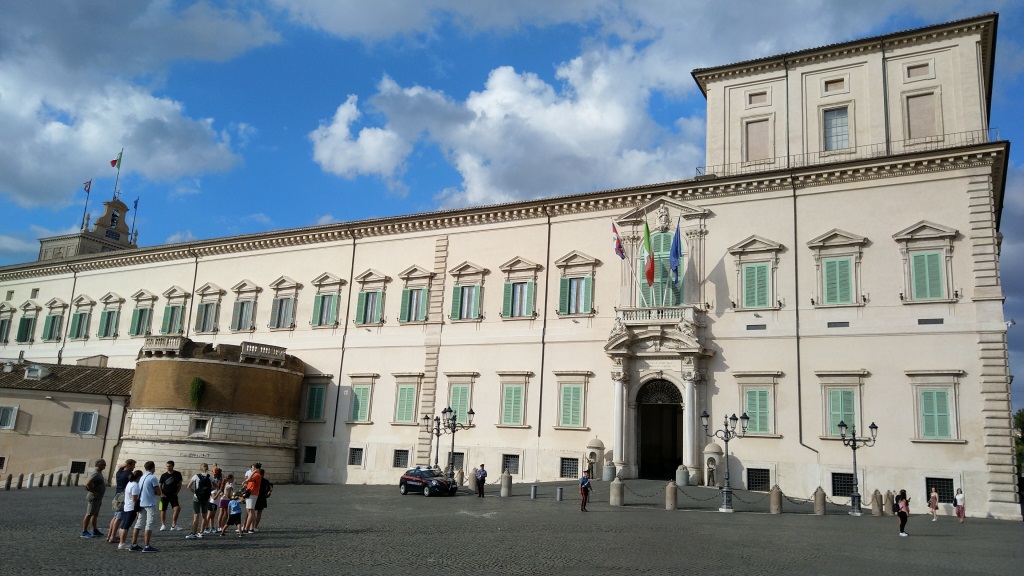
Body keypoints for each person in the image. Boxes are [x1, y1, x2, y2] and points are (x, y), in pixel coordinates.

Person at [130, 460, 162, 552]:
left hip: (141, 503)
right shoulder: (152, 477)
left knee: (139, 523)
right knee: (149, 524)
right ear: (153, 467)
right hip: (150, 503)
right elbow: (158, 490)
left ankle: (133, 544)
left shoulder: (142, 477)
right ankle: (147, 545)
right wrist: (159, 493)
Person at [106, 459, 136, 542]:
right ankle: (112, 537)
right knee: (119, 518)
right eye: (133, 465)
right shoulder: (129, 474)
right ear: (129, 465)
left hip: (117, 495)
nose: (134, 467)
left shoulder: (119, 472)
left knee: (115, 517)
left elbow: (120, 466)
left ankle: (109, 536)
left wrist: (126, 464)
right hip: (123, 497)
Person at [185, 463, 214, 539]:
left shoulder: (196, 476)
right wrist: (209, 491)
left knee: (196, 516)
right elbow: (216, 486)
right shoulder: (210, 477)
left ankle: (194, 533)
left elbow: (188, 487)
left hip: (197, 498)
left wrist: (195, 492)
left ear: (200, 468)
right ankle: (201, 532)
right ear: (207, 468)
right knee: (204, 516)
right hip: (206, 498)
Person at [81, 458, 107, 538]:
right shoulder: (95, 473)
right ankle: (84, 531)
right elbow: (88, 483)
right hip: (94, 497)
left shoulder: (99, 473)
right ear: (98, 464)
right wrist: (93, 491)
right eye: (103, 464)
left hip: (98, 497)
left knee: (95, 514)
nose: (105, 465)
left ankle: (95, 529)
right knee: (89, 514)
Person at [118, 470, 143, 550]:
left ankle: (121, 542)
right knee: (126, 527)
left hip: (127, 507)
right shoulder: (135, 485)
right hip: (131, 508)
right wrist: (137, 511)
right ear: (139, 477)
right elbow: (135, 499)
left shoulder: (129, 483)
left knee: (123, 526)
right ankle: (122, 543)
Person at [158, 460, 183, 531]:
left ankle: (173, 525)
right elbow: (160, 484)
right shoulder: (163, 475)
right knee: (163, 510)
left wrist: (177, 492)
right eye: (167, 466)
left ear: (173, 466)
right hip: (164, 495)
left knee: (177, 508)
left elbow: (180, 484)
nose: (168, 467)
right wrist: (161, 493)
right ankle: (163, 525)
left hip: (173, 495)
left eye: (169, 466)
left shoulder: (177, 474)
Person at [242, 463, 262, 533]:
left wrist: (253, 472)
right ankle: (251, 527)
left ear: (256, 468)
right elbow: (248, 481)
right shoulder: (255, 474)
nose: (251, 469)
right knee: (250, 510)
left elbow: (249, 479)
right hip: (250, 493)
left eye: (252, 467)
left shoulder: (257, 475)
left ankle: (247, 528)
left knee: (250, 511)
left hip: (252, 493)